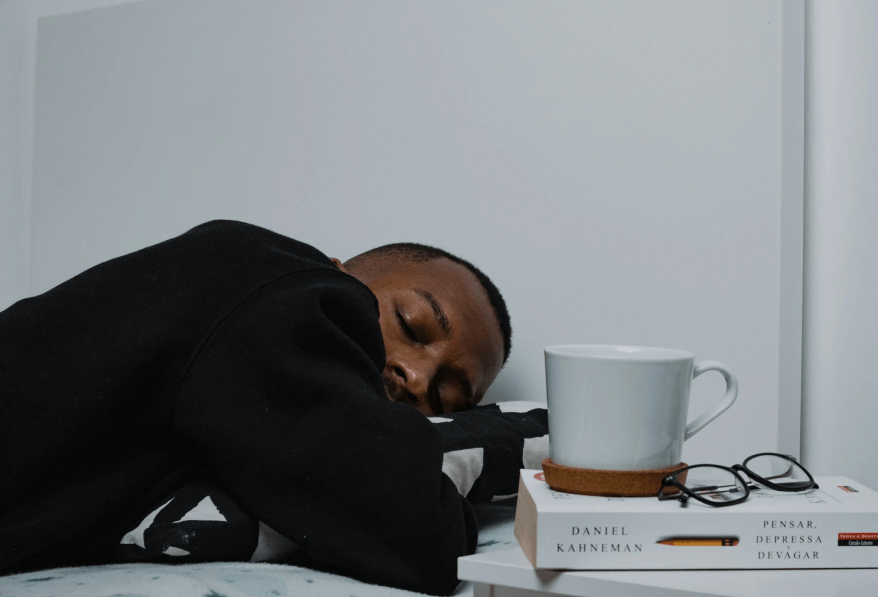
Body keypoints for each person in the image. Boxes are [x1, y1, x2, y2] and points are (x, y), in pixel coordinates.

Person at [0, 220, 512, 596]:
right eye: (410, 323)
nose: (417, 377)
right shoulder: (273, 279)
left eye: (445, 396)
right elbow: (420, 536)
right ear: (337, 273)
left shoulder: (224, 406)